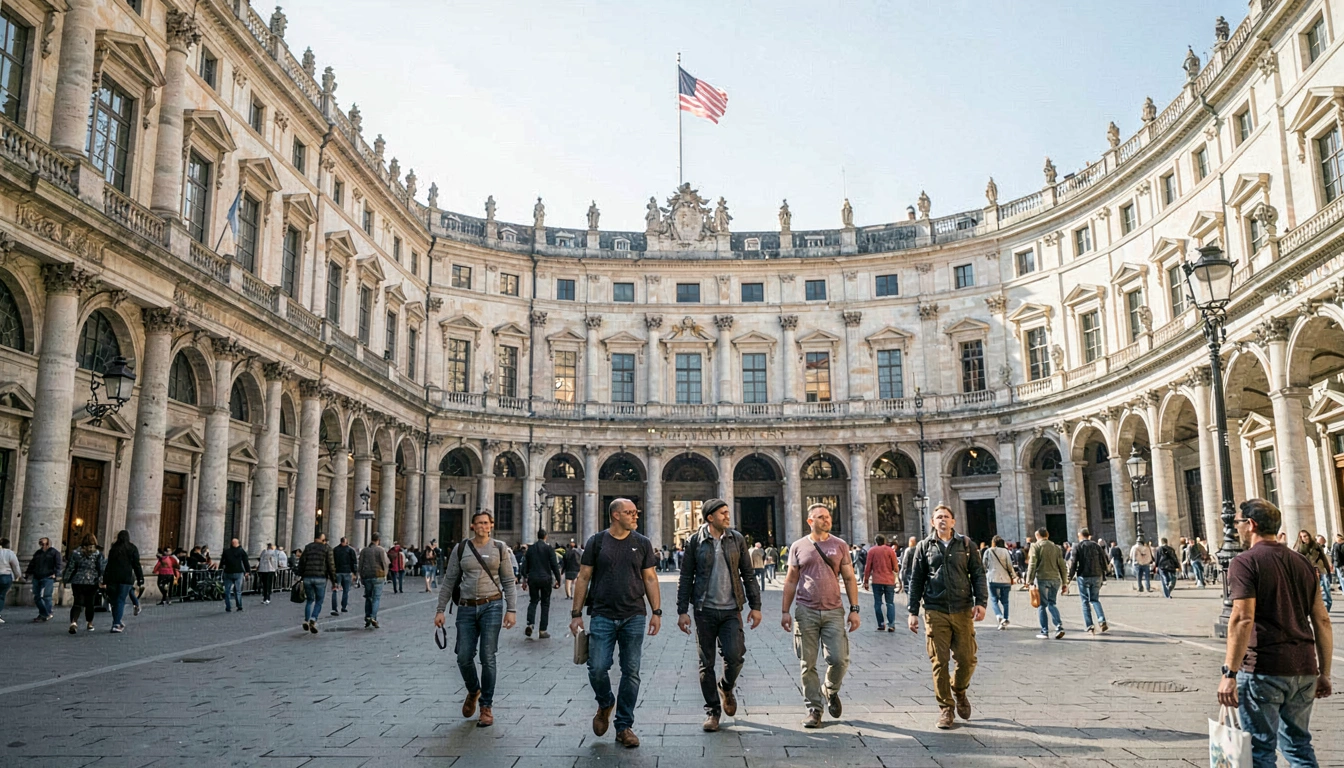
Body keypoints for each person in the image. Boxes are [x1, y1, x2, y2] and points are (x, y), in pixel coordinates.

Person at [1219, 499, 1333, 767]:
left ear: (1251, 525)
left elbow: (1242, 619)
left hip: (1263, 669)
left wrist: (1230, 673)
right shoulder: (1304, 563)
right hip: (1304, 668)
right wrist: (1324, 672)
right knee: (1298, 746)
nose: (1237, 529)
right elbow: (1322, 620)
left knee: (1260, 750)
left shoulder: (1245, 562)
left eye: (1239, 523)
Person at [569, 498, 660, 748]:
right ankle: (606, 701)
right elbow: (583, 576)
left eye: (636, 512)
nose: (635, 516)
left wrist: (657, 611)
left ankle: (624, 726)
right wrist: (576, 613)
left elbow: (650, 578)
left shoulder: (642, 543)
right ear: (615, 515)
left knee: (631, 672)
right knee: (597, 667)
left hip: (634, 615)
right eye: (630, 512)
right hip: (601, 614)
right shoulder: (596, 541)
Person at [675, 498, 763, 732]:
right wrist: (682, 610)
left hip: (731, 608)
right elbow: (686, 577)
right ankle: (713, 711)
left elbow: (748, 573)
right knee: (706, 664)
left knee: (735, 656)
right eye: (723, 513)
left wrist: (756, 605)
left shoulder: (737, 539)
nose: (728, 516)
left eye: (728, 512)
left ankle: (726, 686)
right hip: (704, 610)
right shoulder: (695, 541)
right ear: (710, 517)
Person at [906, 505, 988, 730]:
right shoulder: (924, 547)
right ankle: (946, 708)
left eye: (946, 517)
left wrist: (981, 602)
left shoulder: (966, 545)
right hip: (934, 610)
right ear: (932, 522)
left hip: (962, 609)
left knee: (968, 658)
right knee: (939, 662)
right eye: (938, 517)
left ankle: (959, 689)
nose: (942, 520)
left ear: (953, 521)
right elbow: (916, 580)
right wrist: (913, 611)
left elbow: (978, 574)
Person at [435, 511, 518, 728]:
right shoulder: (461, 548)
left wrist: (512, 609)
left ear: (491, 525)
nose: (482, 526)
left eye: (486, 522)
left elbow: (509, 580)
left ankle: (486, 706)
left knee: (487, 656)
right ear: (472, 526)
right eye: (478, 523)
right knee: (463, 656)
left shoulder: (499, 548)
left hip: (492, 605)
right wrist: (440, 610)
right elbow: (449, 579)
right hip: (466, 607)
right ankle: (473, 690)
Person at [781, 503, 860, 729]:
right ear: (810, 521)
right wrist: (785, 611)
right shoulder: (798, 547)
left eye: (828, 517)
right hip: (805, 611)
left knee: (839, 659)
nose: (826, 520)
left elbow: (849, 578)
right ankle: (814, 708)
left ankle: (830, 689)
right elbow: (790, 580)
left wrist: (854, 609)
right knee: (807, 663)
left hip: (834, 611)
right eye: (821, 517)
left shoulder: (840, 545)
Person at [1026, 528, 1067, 640]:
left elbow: (1032, 563)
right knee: (1052, 603)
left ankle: (1045, 631)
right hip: (1055, 579)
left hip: (1042, 578)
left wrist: (1028, 580)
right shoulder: (1056, 547)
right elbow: (1062, 566)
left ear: (1037, 536)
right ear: (1047, 535)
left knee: (1042, 605)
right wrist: (1065, 583)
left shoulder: (1035, 546)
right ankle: (1059, 627)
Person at [522, 528, 562, 639]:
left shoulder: (531, 549)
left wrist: (524, 578)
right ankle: (543, 630)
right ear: (546, 536)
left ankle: (530, 623)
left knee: (533, 601)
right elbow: (554, 565)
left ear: (537, 536)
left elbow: (525, 566)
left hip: (533, 579)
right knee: (545, 604)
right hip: (546, 579)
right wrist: (558, 579)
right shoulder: (549, 549)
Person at [1067, 528, 1109, 634]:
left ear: (1080, 536)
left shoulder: (1077, 546)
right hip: (1096, 575)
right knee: (1095, 600)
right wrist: (1104, 573)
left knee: (1085, 601)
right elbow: (1103, 561)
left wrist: (1069, 577)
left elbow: (1073, 563)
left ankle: (1090, 626)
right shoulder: (1096, 545)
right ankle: (1101, 620)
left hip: (1083, 576)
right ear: (1088, 535)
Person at [63, 533, 106, 634]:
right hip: (92, 581)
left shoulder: (76, 553)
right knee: (90, 603)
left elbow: (70, 568)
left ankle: (73, 622)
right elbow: (101, 568)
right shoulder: (98, 554)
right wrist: (102, 581)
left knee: (77, 602)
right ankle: (89, 623)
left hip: (78, 581)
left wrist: (65, 579)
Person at [103, 530, 143, 634]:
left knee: (115, 601)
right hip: (126, 577)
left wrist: (105, 578)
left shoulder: (114, 549)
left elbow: (109, 564)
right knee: (120, 600)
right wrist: (140, 578)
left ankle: (116, 621)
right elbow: (136, 564)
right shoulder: (132, 548)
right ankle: (116, 623)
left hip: (113, 577)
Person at [298, 534, 335, 634]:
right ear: (323, 540)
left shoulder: (308, 547)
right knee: (319, 600)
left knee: (310, 600)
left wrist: (301, 575)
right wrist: (334, 581)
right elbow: (331, 565)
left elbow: (302, 562)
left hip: (308, 577)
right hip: (320, 577)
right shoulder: (327, 548)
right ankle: (313, 619)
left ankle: (306, 619)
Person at [862, 534, 900, 632]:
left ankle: (881, 624)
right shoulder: (890, 550)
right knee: (890, 603)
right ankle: (891, 624)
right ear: (884, 541)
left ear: (875, 541)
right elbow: (895, 567)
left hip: (877, 580)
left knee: (878, 603)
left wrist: (865, 581)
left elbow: (868, 567)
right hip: (889, 580)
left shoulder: (871, 551)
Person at [24, 537, 62, 622]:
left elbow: (58, 564)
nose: (42, 545)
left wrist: (55, 574)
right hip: (37, 576)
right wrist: (27, 574)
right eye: (41, 543)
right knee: (37, 597)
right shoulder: (38, 553)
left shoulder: (54, 552)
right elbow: (32, 564)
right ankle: (44, 613)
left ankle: (46, 613)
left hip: (48, 576)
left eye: (44, 543)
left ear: (48, 543)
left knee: (47, 596)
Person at [1295, 530, 1334, 613]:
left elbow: (1323, 558)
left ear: (1309, 535)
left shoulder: (1317, 546)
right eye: (1301, 537)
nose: (1304, 538)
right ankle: (1318, 610)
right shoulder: (1299, 549)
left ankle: (1327, 608)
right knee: (1313, 593)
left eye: (1305, 536)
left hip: (1321, 570)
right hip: (1308, 573)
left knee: (1326, 591)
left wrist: (1327, 569)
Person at [982, 535, 1014, 630]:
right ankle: (1005, 619)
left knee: (994, 600)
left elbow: (984, 565)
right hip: (1005, 579)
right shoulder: (1005, 551)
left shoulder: (988, 551)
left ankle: (999, 616)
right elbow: (1009, 565)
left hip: (992, 578)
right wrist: (1013, 576)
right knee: (1005, 601)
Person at [359, 532, 390, 629]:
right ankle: (373, 617)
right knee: (376, 598)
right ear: (378, 540)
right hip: (378, 575)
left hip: (367, 576)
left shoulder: (364, 551)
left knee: (368, 597)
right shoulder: (380, 550)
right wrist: (385, 574)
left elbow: (360, 564)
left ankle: (368, 616)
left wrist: (361, 576)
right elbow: (385, 563)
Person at [219, 537, 249, 613]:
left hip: (228, 572)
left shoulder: (226, 551)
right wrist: (247, 571)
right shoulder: (241, 551)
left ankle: (228, 607)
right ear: (238, 543)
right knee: (238, 591)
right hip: (238, 572)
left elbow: (222, 562)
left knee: (227, 591)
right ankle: (239, 606)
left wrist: (220, 568)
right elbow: (245, 562)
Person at [331, 536, 358, 616]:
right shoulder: (350, 550)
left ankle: (335, 607)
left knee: (335, 590)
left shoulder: (335, 550)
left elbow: (332, 561)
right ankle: (343, 606)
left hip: (337, 572)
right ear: (346, 542)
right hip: (346, 572)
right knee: (346, 591)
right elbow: (354, 562)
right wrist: (354, 573)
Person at [0, 538, 19, 623]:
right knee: (1, 596)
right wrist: (18, 576)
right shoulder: (9, 553)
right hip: (5, 576)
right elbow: (15, 566)